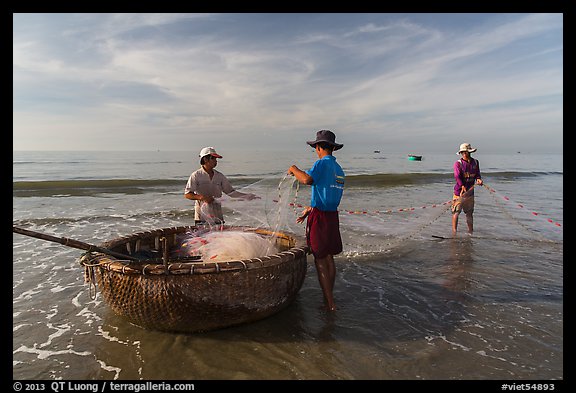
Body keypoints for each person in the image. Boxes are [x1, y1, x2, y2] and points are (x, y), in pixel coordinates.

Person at [288, 130, 345, 311]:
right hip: (331, 216)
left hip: (320, 218)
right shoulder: (339, 169)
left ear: (319, 147)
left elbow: (307, 179)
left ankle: (330, 304)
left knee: (320, 259)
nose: (316, 151)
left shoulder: (321, 164)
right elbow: (328, 195)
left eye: (316, 148)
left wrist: (294, 169)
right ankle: (329, 299)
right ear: (333, 148)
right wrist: (309, 209)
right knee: (329, 257)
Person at [185, 147, 258, 225]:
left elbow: (231, 192)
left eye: (216, 160)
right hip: (201, 217)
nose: (216, 162)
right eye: (213, 159)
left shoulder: (219, 176)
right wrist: (202, 197)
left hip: (217, 216)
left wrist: (247, 196)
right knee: (202, 236)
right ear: (206, 159)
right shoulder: (196, 175)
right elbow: (188, 194)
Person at [452, 143, 483, 235]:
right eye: (463, 152)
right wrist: (462, 186)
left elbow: (478, 174)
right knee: (456, 212)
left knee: (469, 213)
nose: (465, 154)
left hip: (470, 193)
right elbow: (457, 176)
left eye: (466, 152)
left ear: (470, 152)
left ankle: (470, 232)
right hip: (459, 193)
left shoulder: (476, 162)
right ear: (461, 153)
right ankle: (454, 232)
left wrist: (479, 179)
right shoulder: (458, 164)